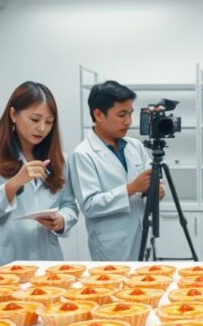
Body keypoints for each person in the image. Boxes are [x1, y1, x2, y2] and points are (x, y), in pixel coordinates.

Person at [0, 81, 77, 274]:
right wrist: (14, 183)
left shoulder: (60, 159)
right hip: (2, 264)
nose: (42, 128)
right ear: (13, 115)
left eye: (49, 122)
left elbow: (70, 205)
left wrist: (61, 220)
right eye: (35, 119)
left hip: (47, 263)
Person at [69, 80, 163, 261]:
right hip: (111, 247)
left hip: (142, 235)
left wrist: (155, 191)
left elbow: (149, 184)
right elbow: (89, 205)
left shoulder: (135, 146)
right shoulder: (83, 154)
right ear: (98, 114)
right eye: (121, 115)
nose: (128, 121)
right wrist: (131, 188)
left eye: (130, 114)